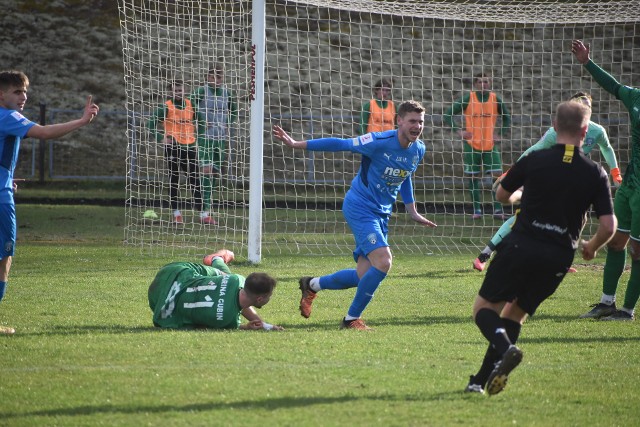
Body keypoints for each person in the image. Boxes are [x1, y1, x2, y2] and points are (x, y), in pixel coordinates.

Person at [465, 100, 616, 395]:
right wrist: (592, 247)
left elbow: (501, 194)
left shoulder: (535, 159)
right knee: (514, 315)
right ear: (586, 131)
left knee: (483, 310)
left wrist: (517, 194)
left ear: (555, 126)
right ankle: (478, 381)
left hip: (523, 245)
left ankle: (506, 348)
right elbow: (609, 226)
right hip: (558, 257)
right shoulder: (595, 173)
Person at [273, 100, 437, 330]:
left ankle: (311, 285)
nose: (417, 126)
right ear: (399, 121)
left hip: (382, 213)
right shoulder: (378, 141)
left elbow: (405, 175)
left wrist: (413, 210)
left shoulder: (418, 149)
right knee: (383, 261)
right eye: (412, 121)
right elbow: (340, 144)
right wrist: (296, 144)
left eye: (420, 122)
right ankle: (350, 320)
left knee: (363, 276)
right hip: (360, 206)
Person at [473, 92, 622, 272]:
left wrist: (615, 172)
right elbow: (535, 149)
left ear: (590, 111)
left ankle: (559, 260)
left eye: (586, 106)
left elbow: (607, 148)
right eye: (577, 105)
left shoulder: (597, 131)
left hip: (570, 182)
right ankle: (485, 254)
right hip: (548, 179)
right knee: (525, 214)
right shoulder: (555, 132)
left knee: (575, 219)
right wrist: (513, 172)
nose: (581, 109)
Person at [0, 70, 99, 335]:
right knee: (4, 257)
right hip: (1, 199)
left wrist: (7, 177)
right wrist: (81, 121)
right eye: (16, 91)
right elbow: (43, 132)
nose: (23, 97)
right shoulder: (8, 116)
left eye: (24, 91)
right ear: (1, 94)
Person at [572, 39, 640, 321]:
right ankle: (606, 302)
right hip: (630, 184)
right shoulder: (635, 96)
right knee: (616, 242)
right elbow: (612, 85)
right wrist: (587, 62)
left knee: (638, 250)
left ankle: (627, 310)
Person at [148, 248, 284, 331]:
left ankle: (217, 259)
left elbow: (237, 299)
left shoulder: (237, 279)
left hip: (171, 272)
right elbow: (211, 326)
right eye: (269, 296)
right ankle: (217, 258)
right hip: (160, 306)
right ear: (259, 298)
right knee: (220, 277)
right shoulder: (228, 320)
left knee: (221, 275)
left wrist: (264, 325)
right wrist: (249, 326)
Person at [444, 73, 512, 219]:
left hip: (490, 145)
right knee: (473, 177)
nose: (483, 84)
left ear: (490, 83)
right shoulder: (469, 98)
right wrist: (459, 131)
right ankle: (476, 211)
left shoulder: (495, 99)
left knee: (498, 177)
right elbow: (448, 114)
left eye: (486, 81)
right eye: (480, 82)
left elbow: (507, 118)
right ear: (475, 84)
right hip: (471, 145)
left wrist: (500, 133)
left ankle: (498, 211)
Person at [148, 80, 215, 225]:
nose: (177, 93)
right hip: (173, 148)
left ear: (184, 91)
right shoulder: (166, 107)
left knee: (195, 181)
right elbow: (151, 123)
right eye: (174, 91)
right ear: (170, 92)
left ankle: (203, 215)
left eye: (180, 90)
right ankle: (176, 214)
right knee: (174, 180)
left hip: (190, 148)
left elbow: (202, 121)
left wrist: (199, 138)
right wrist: (161, 138)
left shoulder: (191, 105)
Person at [191, 63, 238, 219]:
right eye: (213, 77)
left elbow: (234, 110)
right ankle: (204, 212)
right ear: (207, 78)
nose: (216, 80)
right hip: (205, 137)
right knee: (206, 171)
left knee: (215, 173)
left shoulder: (226, 93)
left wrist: (228, 123)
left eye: (219, 77)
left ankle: (205, 207)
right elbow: (189, 104)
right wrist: (200, 119)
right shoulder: (201, 91)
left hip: (220, 138)